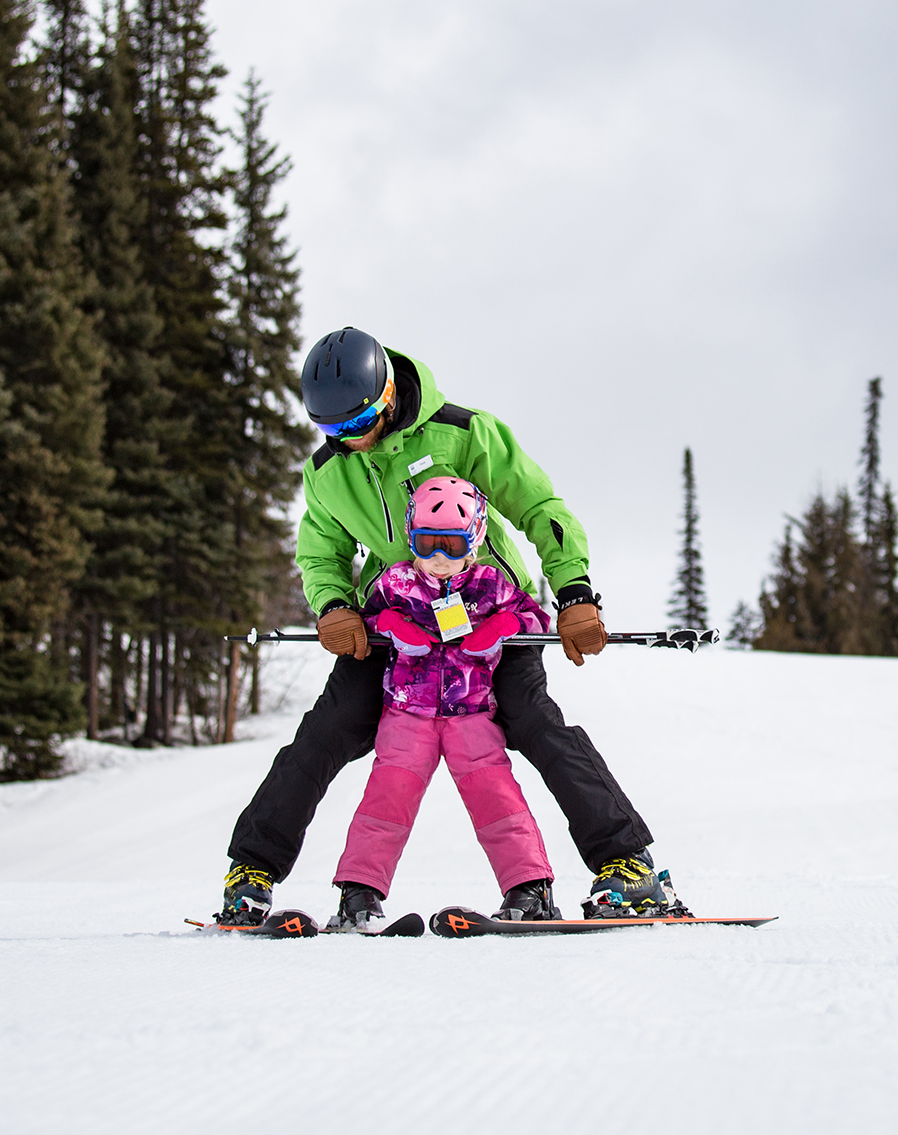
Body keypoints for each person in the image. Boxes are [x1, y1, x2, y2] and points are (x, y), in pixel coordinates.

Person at [217, 327, 675, 924]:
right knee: (327, 729)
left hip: (491, 614)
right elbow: (320, 551)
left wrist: (573, 591)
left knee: (534, 720)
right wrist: (333, 606)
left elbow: (541, 507)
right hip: (396, 617)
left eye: (356, 424)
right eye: (332, 430)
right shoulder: (329, 470)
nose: (348, 441)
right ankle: (250, 872)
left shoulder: (464, 433)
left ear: (386, 395)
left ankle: (629, 865)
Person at [331, 477, 559, 929]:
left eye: (451, 545)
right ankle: (359, 895)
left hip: (472, 716)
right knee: (385, 801)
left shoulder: (491, 584)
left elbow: (536, 618)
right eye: (425, 542)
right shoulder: (396, 581)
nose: (438, 557)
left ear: (474, 539)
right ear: (410, 535)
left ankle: (529, 889)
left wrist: (504, 626)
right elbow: (367, 616)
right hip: (406, 716)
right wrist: (391, 623)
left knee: (496, 798)